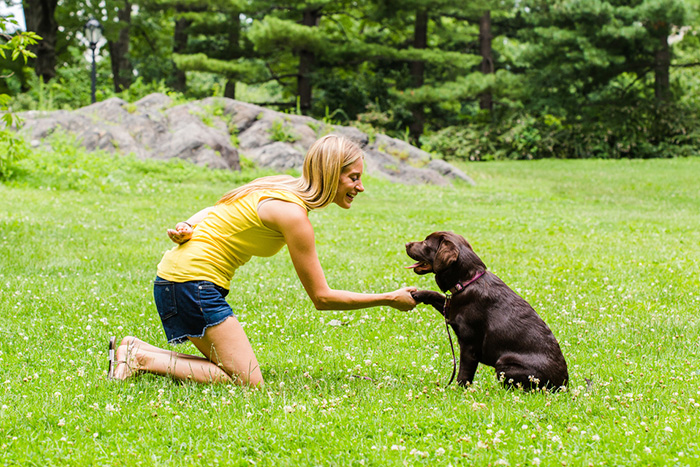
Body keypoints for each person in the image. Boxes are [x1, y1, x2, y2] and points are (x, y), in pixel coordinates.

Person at [108, 134, 417, 386]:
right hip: (192, 286)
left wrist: (190, 223)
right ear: (330, 174)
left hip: (176, 280)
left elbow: (218, 210)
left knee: (234, 371)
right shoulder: (294, 216)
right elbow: (321, 297)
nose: (360, 186)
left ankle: (136, 350)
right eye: (353, 178)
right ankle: (142, 358)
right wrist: (389, 298)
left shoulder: (281, 184)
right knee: (246, 382)